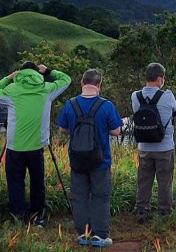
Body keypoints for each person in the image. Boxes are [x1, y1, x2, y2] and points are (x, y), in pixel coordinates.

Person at [0, 61, 71, 227]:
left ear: (20, 73)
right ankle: (37, 217)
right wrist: (48, 70)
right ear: (37, 73)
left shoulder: (11, 90)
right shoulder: (46, 89)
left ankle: (18, 218)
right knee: (37, 183)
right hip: (37, 146)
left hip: (14, 147)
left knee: (15, 183)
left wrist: (8, 78)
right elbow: (66, 79)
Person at [56, 69, 122, 248]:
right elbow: (116, 131)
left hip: (77, 159)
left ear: (82, 83)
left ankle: (83, 234)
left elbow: (62, 129)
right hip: (100, 160)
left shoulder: (71, 104)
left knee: (79, 196)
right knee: (100, 196)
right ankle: (100, 235)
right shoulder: (106, 105)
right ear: (99, 85)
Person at [131, 62, 176, 223]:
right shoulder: (167, 95)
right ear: (159, 79)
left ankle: (142, 210)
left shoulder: (135, 96)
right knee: (165, 180)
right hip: (164, 146)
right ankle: (164, 212)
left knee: (144, 180)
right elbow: (174, 110)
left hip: (144, 146)